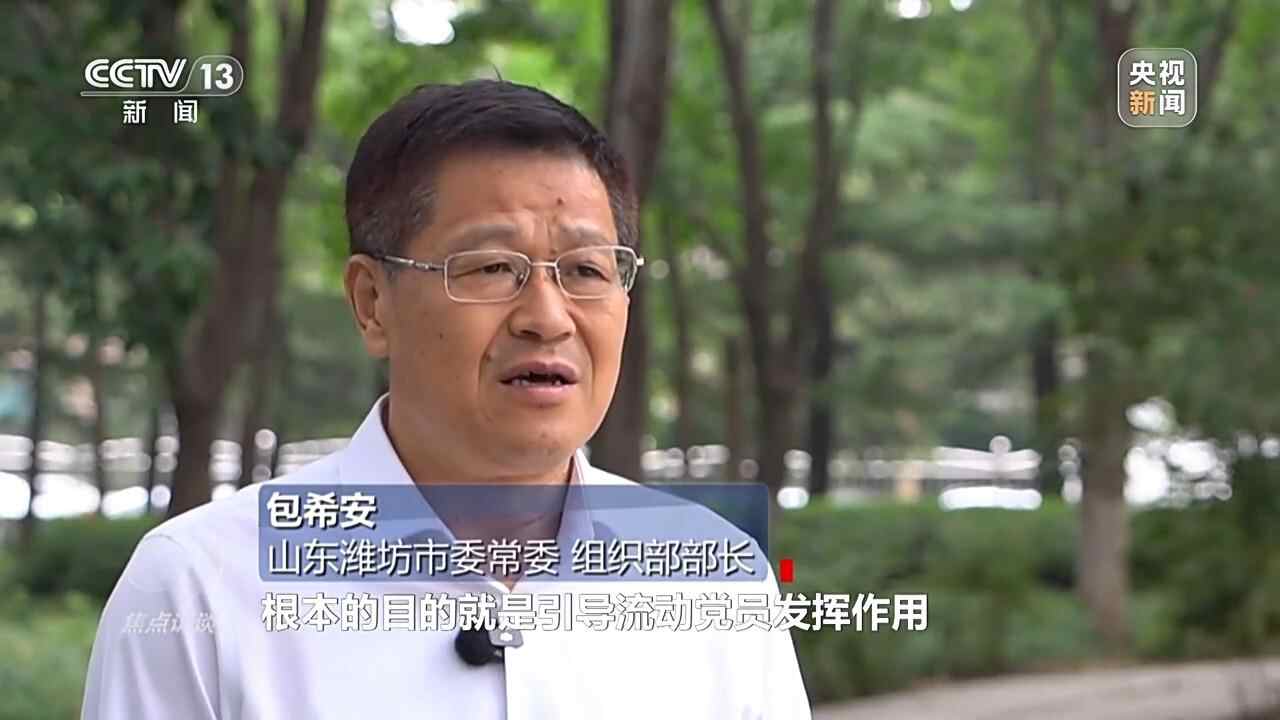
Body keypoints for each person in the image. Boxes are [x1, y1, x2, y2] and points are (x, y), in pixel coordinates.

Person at [82, 79, 811, 719]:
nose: (547, 317)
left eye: (587, 270)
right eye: (491, 267)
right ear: (372, 303)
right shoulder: (199, 591)